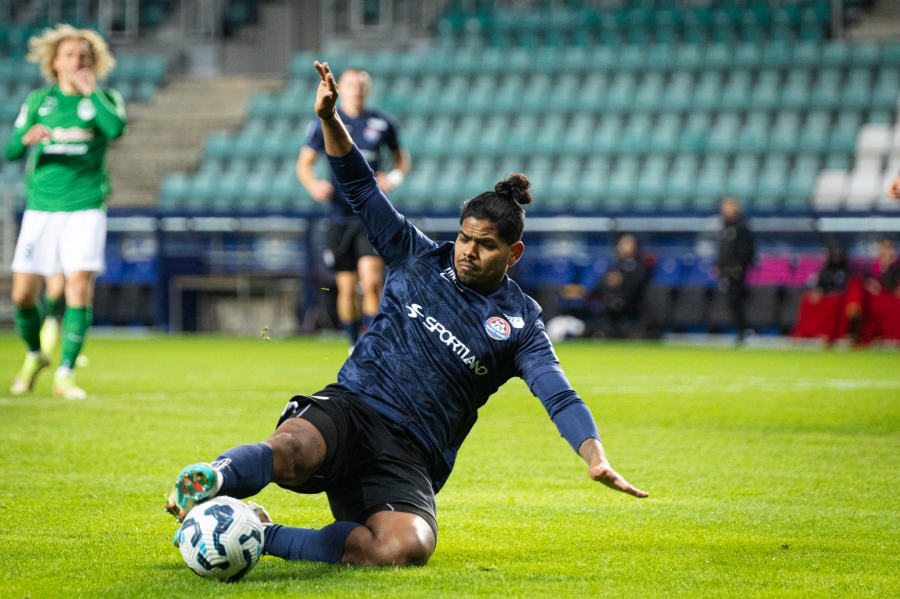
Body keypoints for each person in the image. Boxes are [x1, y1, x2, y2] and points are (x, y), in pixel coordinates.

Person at [165, 61, 647, 569]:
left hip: (411, 455)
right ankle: (216, 478)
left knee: (404, 547)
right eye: (464, 238)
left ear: (514, 253)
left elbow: (559, 395)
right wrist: (330, 119)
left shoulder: (522, 325)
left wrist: (594, 454)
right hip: (351, 408)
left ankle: (258, 532)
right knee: (292, 451)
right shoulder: (417, 255)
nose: (468, 251)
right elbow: (361, 188)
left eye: (485, 245)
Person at [5, 24, 126, 399]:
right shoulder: (39, 101)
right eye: (70, 55)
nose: (78, 61)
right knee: (22, 296)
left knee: (77, 287)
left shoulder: (105, 99)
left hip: (85, 206)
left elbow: (116, 129)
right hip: (41, 208)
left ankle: (66, 373)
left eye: (84, 56)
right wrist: (26, 138)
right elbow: (10, 151)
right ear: (55, 62)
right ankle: (35, 353)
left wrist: (92, 93)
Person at [297, 67, 410, 349]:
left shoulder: (382, 123)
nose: (356, 90)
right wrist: (313, 185)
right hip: (338, 215)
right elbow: (304, 164)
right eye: (351, 85)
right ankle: (352, 345)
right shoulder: (326, 122)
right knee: (346, 288)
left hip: (370, 215)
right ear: (341, 89)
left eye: (361, 85)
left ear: (367, 90)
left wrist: (394, 178)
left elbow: (401, 158)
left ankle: (370, 345)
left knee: (371, 282)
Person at [792, 245, 863, 343]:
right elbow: (819, 284)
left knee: (832, 302)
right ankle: (806, 331)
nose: (836, 258)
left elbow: (843, 287)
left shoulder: (846, 270)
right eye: (834, 255)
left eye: (838, 255)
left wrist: (827, 292)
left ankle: (828, 333)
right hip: (824, 296)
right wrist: (817, 292)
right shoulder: (825, 269)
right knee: (807, 299)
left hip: (838, 297)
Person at [715, 197, 755, 341]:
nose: (725, 210)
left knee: (736, 300)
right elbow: (723, 249)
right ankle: (742, 330)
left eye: (728, 207)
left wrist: (740, 266)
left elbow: (747, 249)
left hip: (737, 271)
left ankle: (745, 330)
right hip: (726, 271)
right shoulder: (724, 227)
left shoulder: (742, 226)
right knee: (732, 301)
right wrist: (719, 265)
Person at [595, 234, 648, 338]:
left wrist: (622, 280)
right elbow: (600, 285)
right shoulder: (614, 265)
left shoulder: (638, 266)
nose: (623, 246)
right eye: (621, 243)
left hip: (630, 308)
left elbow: (637, 285)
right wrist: (609, 280)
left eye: (627, 243)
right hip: (609, 307)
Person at [860, 238, 900, 343]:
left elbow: (891, 284)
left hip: (891, 295)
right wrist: (870, 283)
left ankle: (892, 336)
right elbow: (865, 278)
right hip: (876, 296)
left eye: (887, 251)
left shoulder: (896, 266)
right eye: (882, 252)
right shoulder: (874, 266)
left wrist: (885, 267)